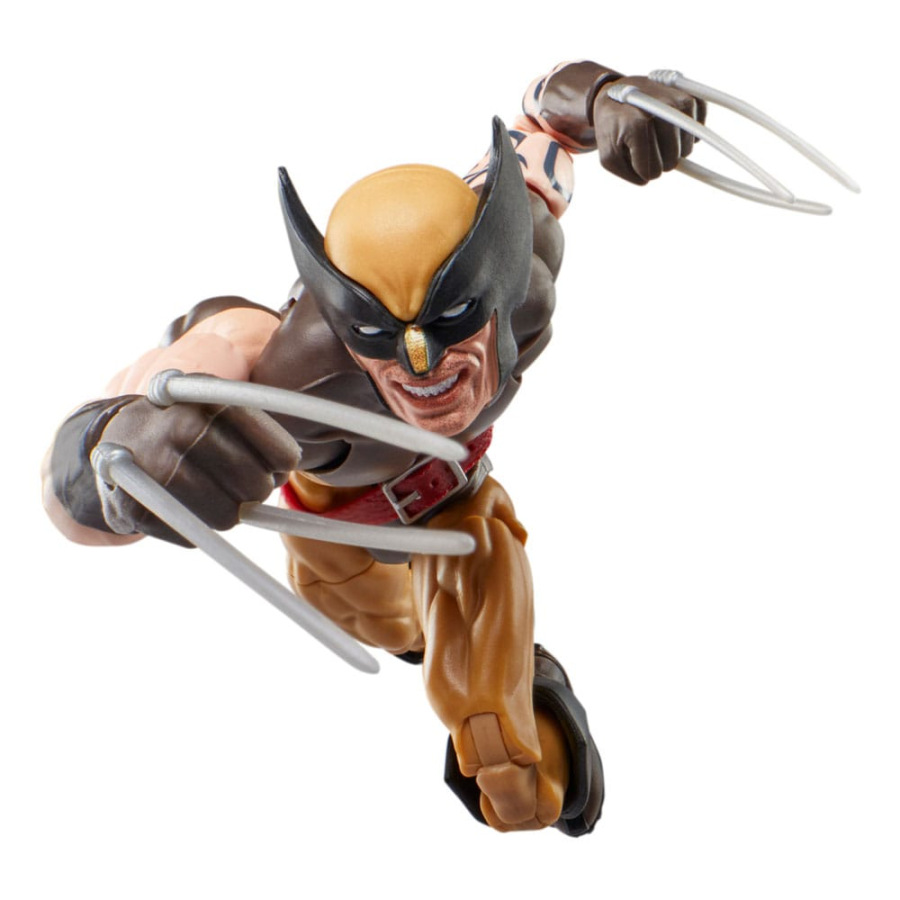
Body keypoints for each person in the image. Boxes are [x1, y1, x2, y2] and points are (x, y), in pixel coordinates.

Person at [42, 61, 705, 835]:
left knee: (503, 741)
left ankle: (518, 685)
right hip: (340, 547)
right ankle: (453, 648)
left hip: (457, 508)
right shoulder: (286, 363)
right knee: (401, 630)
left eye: (452, 317)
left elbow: (545, 115)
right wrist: (115, 454)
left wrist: (624, 98)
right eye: (378, 332)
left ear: (492, 275)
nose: (420, 363)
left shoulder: (524, 262)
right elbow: (102, 453)